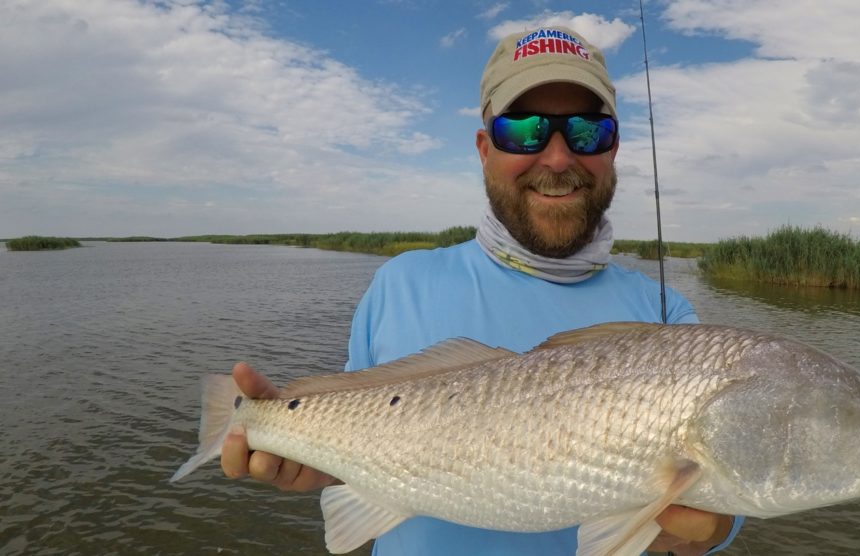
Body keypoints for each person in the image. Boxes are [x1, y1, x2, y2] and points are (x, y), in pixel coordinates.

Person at [222, 25, 744, 555]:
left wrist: (704, 533)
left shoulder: (669, 317)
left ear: (613, 149)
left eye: (588, 131)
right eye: (524, 131)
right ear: (483, 148)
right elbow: (364, 442)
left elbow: (723, 511)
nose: (559, 159)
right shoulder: (400, 284)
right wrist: (323, 469)